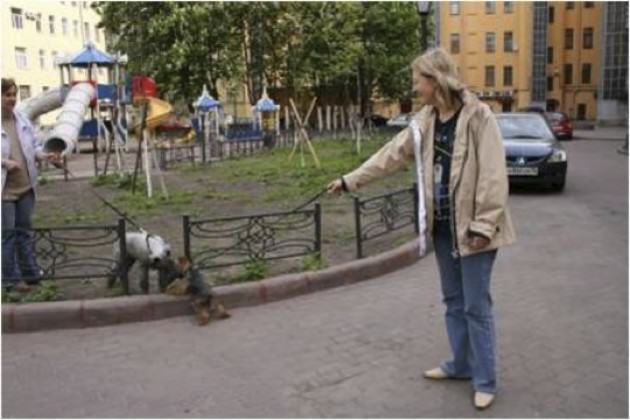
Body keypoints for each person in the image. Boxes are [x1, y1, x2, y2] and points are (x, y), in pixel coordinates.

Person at [327, 48, 516, 410]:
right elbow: (390, 154)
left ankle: (485, 380)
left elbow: (493, 175)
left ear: (436, 79)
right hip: (444, 229)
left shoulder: (479, 116)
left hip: (476, 230)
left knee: (476, 306)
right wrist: (349, 181)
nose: (415, 88)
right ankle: (460, 365)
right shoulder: (425, 121)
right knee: (453, 301)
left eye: (418, 81)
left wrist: (483, 225)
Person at [1, 78, 60, 290]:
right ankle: (10, 281)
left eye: (14, 94)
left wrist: (45, 156)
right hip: (5, 192)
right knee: (8, 235)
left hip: (25, 187)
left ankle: (31, 274)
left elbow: (34, 146)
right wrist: (4, 162)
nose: (12, 99)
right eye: (7, 95)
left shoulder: (21, 120)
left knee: (25, 232)